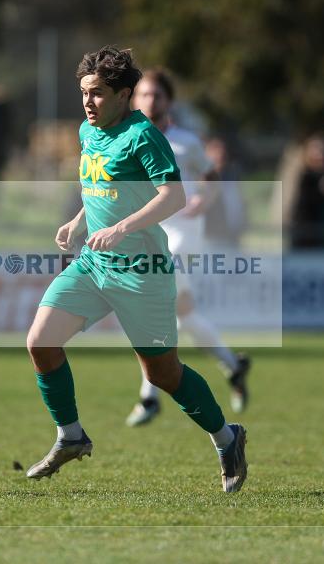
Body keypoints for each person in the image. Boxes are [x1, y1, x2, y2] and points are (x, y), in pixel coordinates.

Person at [25, 46, 247, 492]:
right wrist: (77, 222)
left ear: (125, 95)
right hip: (94, 264)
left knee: (162, 375)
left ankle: (227, 438)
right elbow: (99, 189)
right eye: (84, 93)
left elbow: (174, 197)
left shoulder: (143, 136)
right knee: (41, 342)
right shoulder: (89, 132)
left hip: (142, 272)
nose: (88, 103)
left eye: (99, 94)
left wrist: (123, 228)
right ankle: (70, 437)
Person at [123, 68, 252, 426]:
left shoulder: (186, 141)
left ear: (169, 101)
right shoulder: (128, 138)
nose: (150, 101)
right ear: (134, 100)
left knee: (152, 309)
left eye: (156, 95)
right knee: (183, 316)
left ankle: (149, 397)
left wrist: (203, 202)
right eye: (144, 95)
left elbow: (212, 179)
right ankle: (233, 364)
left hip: (181, 236)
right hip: (149, 234)